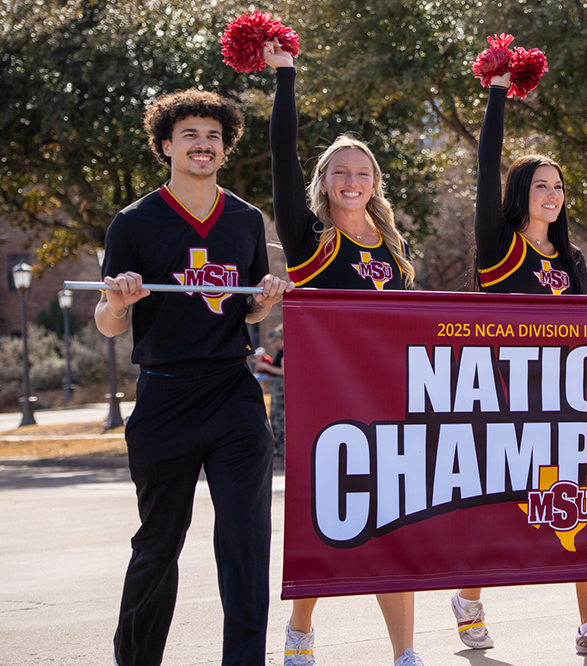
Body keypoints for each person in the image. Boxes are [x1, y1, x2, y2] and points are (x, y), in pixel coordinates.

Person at [96, 89, 292, 666]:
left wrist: (266, 300)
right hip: (164, 395)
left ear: (224, 147)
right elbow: (109, 325)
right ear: (166, 145)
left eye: (212, 136)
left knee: (245, 542)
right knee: (157, 546)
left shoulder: (244, 219)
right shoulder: (133, 222)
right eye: (189, 135)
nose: (202, 144)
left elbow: (248, 311)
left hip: (233, 391)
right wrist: (118, 300)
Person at [454, 70, 587, 658]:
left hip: (568, 400)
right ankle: (469, 596)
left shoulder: (573, 256)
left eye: (558, 186)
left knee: (582, 507)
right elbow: (485, 167)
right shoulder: (500, 246)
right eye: (540, 186)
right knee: (508, 510)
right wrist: (498, 93)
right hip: (505, 399)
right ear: (519, 193)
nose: (552, 195)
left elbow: (585, 329)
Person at [264, 42, 420, 666]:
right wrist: (285, 77)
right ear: (323, 182)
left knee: (396, 522)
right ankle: (301, 628)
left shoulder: (392, 244)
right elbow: (281, 153)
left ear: (375, 183)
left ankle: (405, 651)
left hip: (389, 397)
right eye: (340, 172)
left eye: (362, 173)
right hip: (326, 401)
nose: (352, 182)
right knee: (330, 517)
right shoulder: (308, 240)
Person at [255, 327, 285, 454]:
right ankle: (278, 446)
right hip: (275, 388)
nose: (272, 345)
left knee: (279, 418)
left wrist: (266, 366)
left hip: (280, 389)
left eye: (273, 342)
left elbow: (284, 372)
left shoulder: (284, 352)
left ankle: (282, 447)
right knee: (273, 416)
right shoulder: (279, 352)